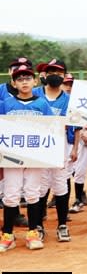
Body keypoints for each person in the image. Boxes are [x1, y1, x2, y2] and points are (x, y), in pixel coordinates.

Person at [0, 64, 54, 252]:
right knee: (11, 193)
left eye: (28, 78)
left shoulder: (42, 104)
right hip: (12, 157)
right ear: (13, 83)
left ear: (35, 81)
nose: (24, 82)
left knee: (33, 192)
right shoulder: (5, 104)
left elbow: (52, 129)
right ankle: (8, 234)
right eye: (20, 79)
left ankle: (33, 232)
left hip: (34, 156)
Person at [37, 59, 77, 243]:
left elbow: (75, 126)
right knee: (39, 186)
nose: (55, 75)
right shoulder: (35, 94)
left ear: (64, 76)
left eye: (59, 72)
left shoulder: (69, 100)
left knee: (61, 184)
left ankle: (62, 224)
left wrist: (75, 148)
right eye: (51, 71)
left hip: (60, 146)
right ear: (44, 75)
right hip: (38, 146)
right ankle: (37, 225)